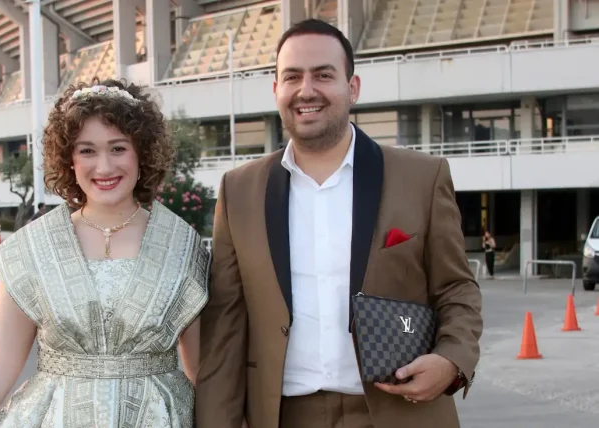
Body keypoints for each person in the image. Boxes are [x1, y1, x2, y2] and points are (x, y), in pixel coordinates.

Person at [195, 19, 483, 428]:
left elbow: (456, 289)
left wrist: (451, 359)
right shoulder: (239, 191)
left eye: (323, 75)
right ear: (276, 90)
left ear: (353, 88)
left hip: (399, 412)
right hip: (284, 415)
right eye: (292, 77)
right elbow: (224, 329)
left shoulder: (422, 177)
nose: (306, 90)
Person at [0, 78, 209, 428]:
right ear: (69, 159)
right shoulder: (33, 246)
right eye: (87, 151)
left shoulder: (182, 245)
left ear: (142, 151)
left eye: (118, 148)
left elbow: (202, 369)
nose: (104, 167)